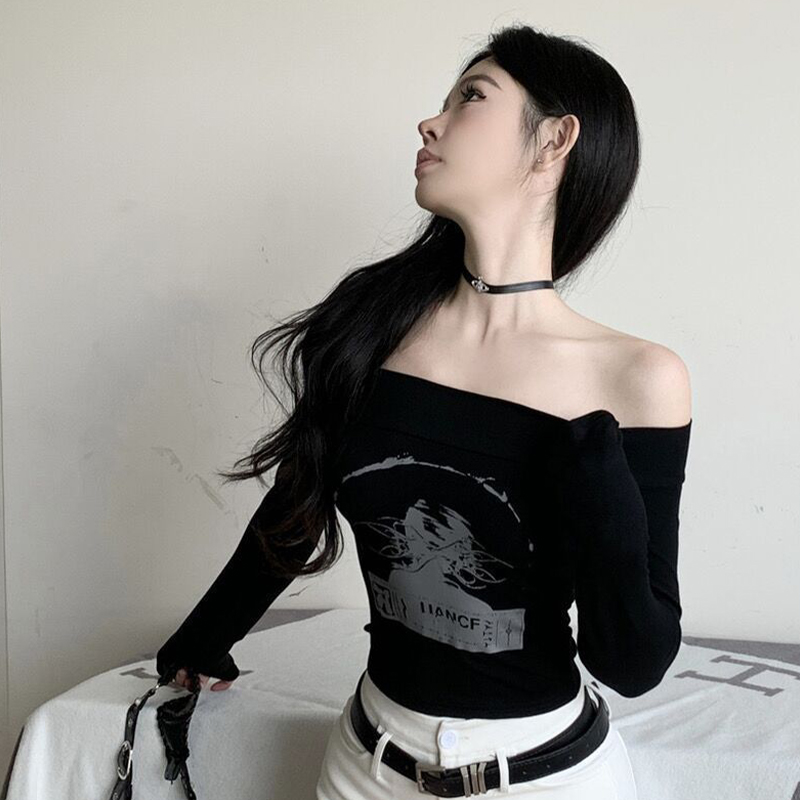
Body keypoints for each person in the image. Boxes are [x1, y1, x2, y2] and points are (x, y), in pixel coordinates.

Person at [157, 23, 692, 799]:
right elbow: (295, 512)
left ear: (554, 141)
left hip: (543, 778)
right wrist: (206, 638)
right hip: (364, 766)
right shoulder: (370, 326)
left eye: (471, 97)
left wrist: (600, 484)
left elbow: (635, 662)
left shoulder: (636, 378)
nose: (429, 122)